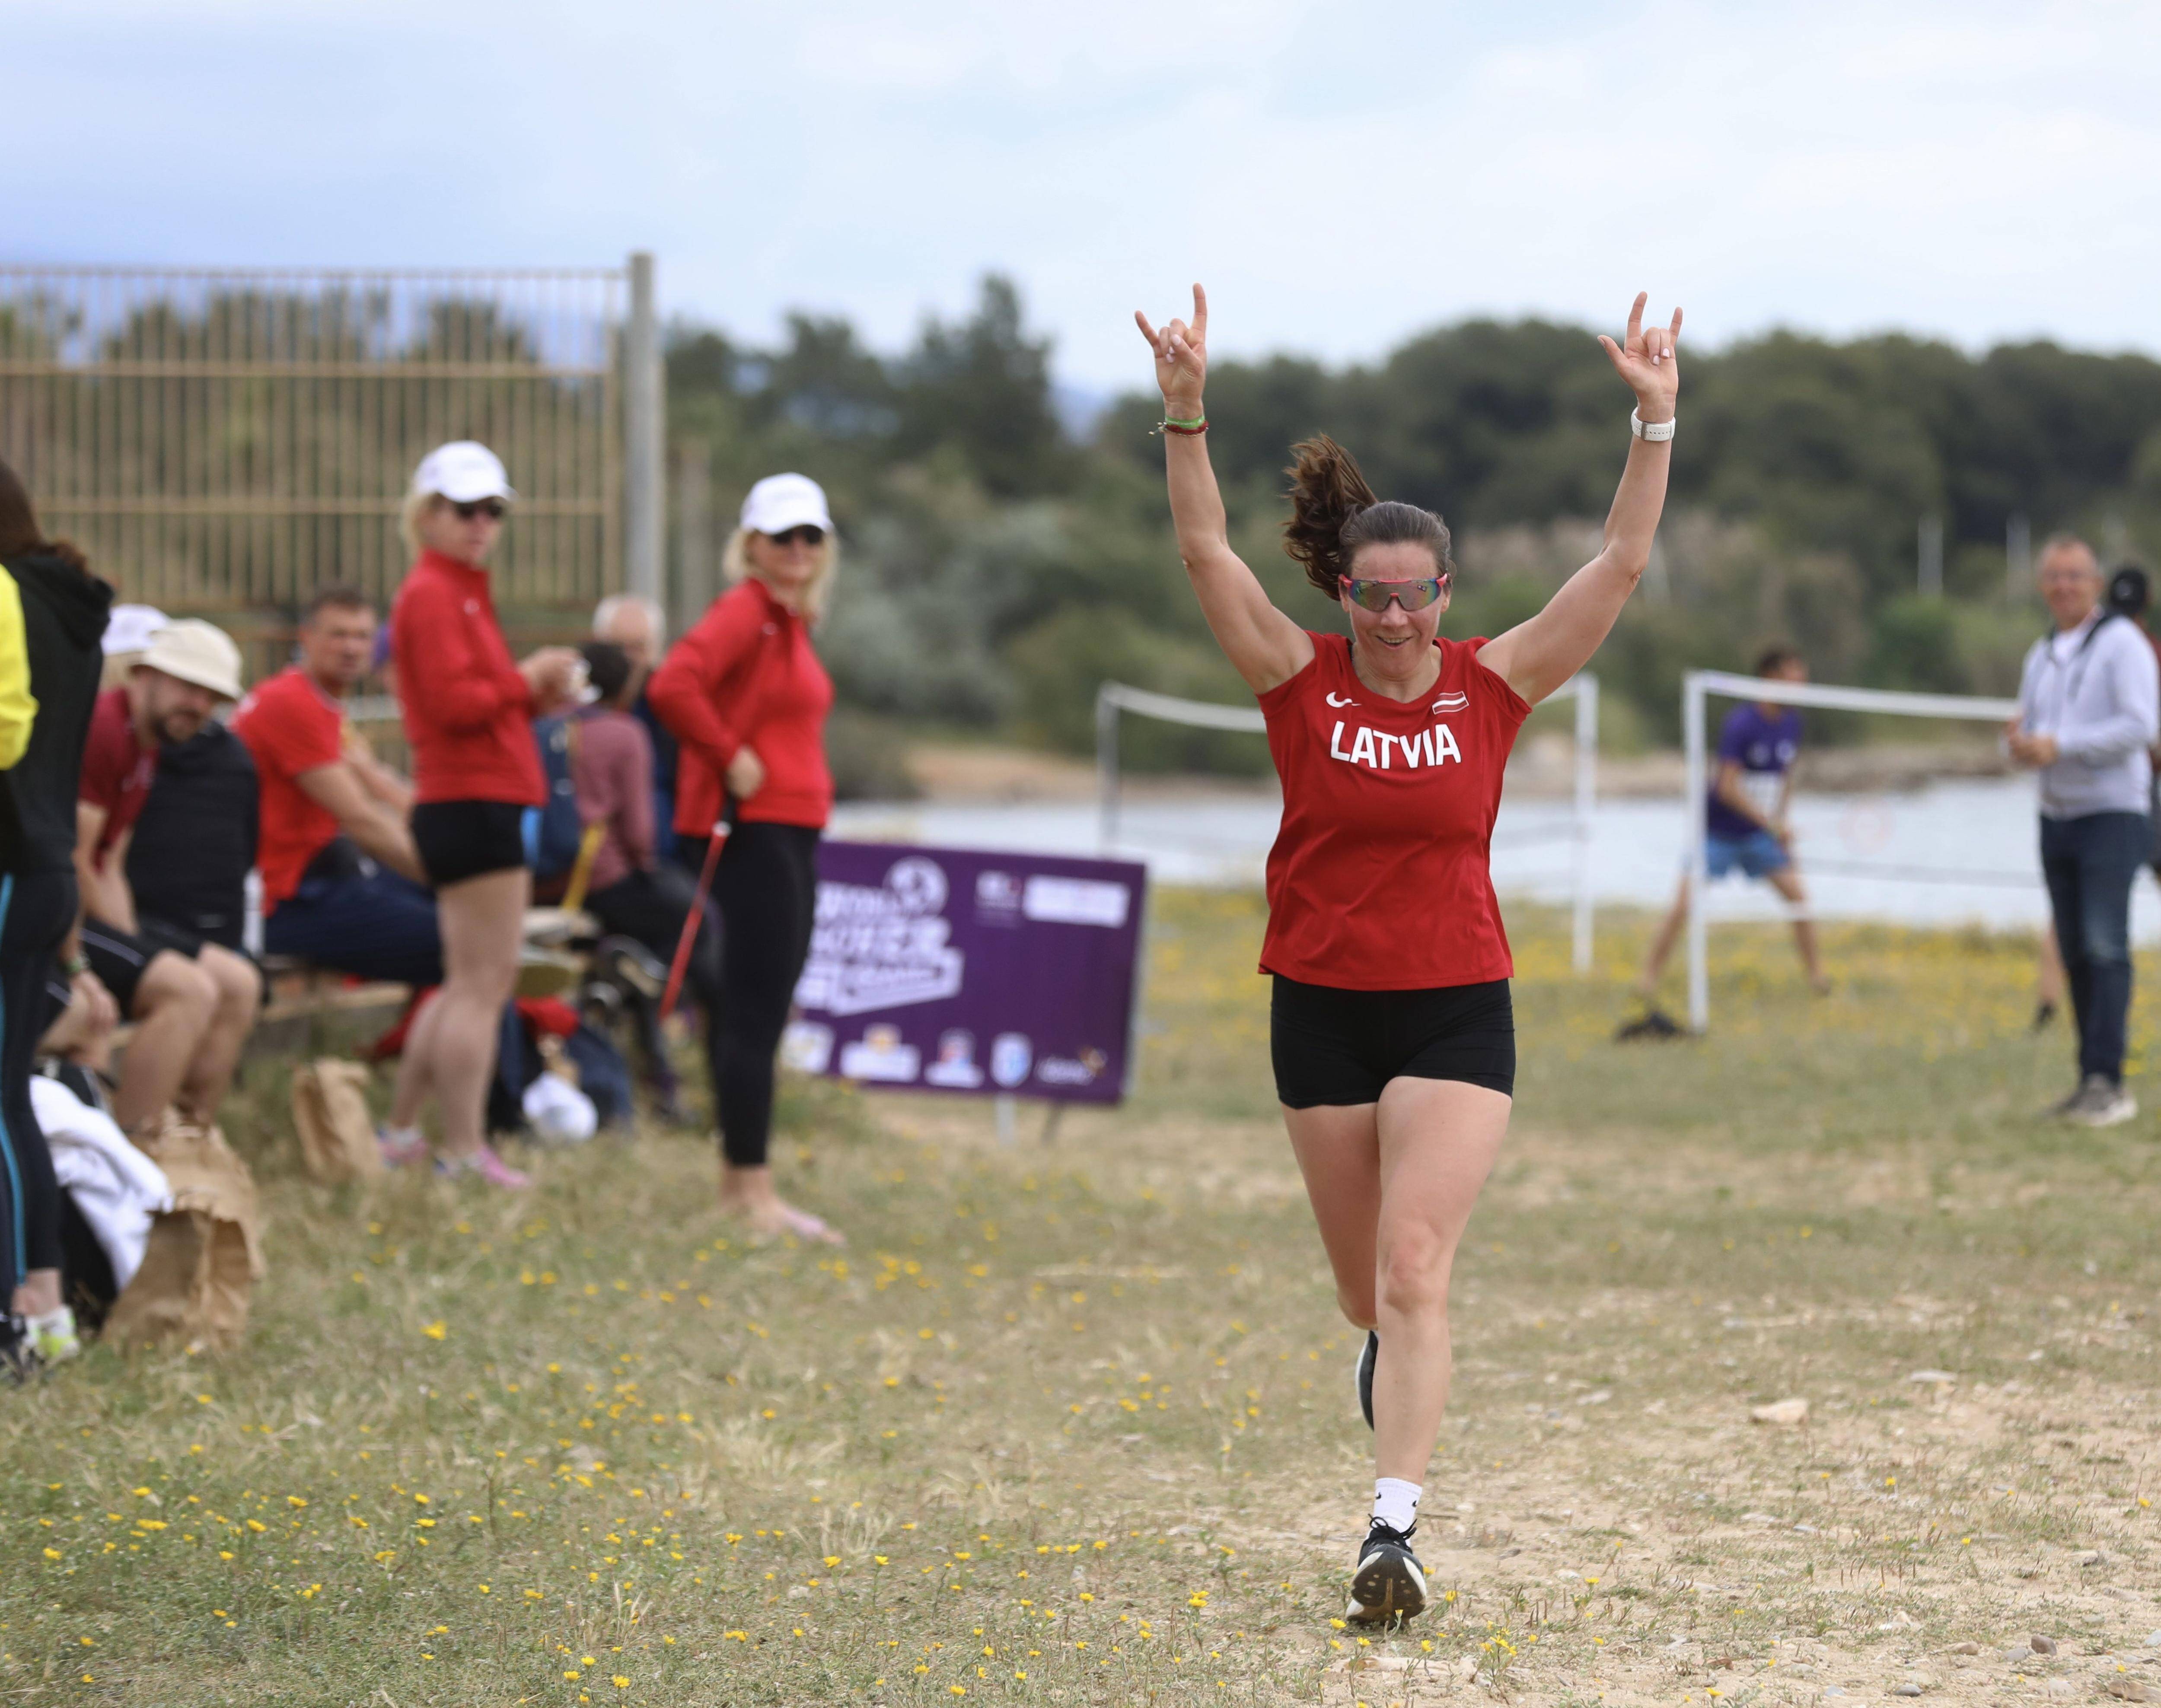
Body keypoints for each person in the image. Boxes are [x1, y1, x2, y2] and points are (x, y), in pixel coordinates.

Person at [1134, 283, 1681, 1624]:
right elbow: (1206, 555)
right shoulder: (1293, 680)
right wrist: (1186, 413)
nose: (1391, 620)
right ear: (1344, 590)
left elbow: (1612, 567)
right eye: (1369, 598)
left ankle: (1392, 1532)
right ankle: (1385, 1359)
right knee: (1362, 1293)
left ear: (1444, 593)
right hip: (1318, 1009)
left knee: (1416, 1265)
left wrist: (1652, 423)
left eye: (1412, 597)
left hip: (1453, 1010)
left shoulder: (1492, 684)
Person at [648, 472, 839, 1243]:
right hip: (755, 826)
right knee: (756, 1010)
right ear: (751, 544)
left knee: (758, 1004)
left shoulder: (787, 620)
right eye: (783, 536)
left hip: (789, 825)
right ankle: (750, 1191)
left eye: (810, 537)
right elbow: (673, 683)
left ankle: (745, 1183)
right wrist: (728, 755)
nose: (797, 550)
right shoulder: (746, 611)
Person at [388, 441, 580, 1187]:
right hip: (471, 801)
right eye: (465, 510)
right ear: (428, 514)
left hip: (475, 796)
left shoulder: (457, 588)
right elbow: (450, 705)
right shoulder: (434, 593)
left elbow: (476, 700)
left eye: (492, 511)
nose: (480, 524)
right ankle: (462, 1149)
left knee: (464, 980)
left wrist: (532, 693)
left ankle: (405, 1131)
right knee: (482, 985)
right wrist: (521, 680)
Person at [0, 458, 113, 1371]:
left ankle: (18, 1319)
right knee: (9, 1097)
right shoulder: (70, 608)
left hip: (9, 866)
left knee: (1, 1100)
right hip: (46, 870)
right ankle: (45, 1307)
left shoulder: (6, 595)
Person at [76, 620, 261, 1137]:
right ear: (145, 674)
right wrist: (125, 959)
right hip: (54, 912)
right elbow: (74, 860)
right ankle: (134, 1152)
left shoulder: (147, 742)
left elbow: (110, 864)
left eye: (213, 697)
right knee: (189, 989)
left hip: (86, 905)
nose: (199, 706)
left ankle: (190, 1135)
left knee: (239, 982)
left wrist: (133, 945)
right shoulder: (105, 729)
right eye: (188, 686)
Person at [2009, 534, 2160, 1126]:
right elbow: (2031, 724)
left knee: (2105, 944)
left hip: (2112, 813)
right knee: (2074, 950)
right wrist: (2018, 744)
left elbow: (2141, 726)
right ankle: (2087, 1077)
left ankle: (2109, 1080)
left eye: (2075, 575)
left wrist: (2062, 744)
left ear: (2094, 583)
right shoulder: (2041, 652)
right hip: (2057, 815)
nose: (2064, 585)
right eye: (2054, 576)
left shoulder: (2123, 643)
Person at [1619, 647, 1828, 1037]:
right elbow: (1727, 788)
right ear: (1770, 676)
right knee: (1682, 907)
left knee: (1800, 901)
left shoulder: (1792, 723)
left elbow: (1784, 780)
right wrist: (1771, 824)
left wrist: (1782, 828)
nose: (1801, 684)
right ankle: (1647, 978)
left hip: (1761, 837)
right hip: (1718, 835)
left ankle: (1818, 978)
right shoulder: (1742, 724)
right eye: (1794, 676)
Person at [233, 588, 433, 981]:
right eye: (338, 634)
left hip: (316, 876)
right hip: (282, 898)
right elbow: (362, 820)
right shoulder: (292, 702)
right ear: (306, 637)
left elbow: (378, 803)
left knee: (462, 931)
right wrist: (450, 879)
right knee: (461, 942)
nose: (351, 648)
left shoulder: (319, 703)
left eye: (362, 636)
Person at [573, 640, 718, 1121]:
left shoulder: (552, 727)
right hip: (608, 878)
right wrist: (647, 862)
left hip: (550, 881)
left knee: (642, 949)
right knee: (699, 922)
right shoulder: (625, 732)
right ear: (629, 685)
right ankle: (670, 1066)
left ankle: (634, 974)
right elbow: (638, 830)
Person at [593, 593, 678, 864]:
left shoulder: (671, 710)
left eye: (638, 648)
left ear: (656, 651)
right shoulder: (574, 711)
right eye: (619, 648)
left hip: (662, 854)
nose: (627, 660)